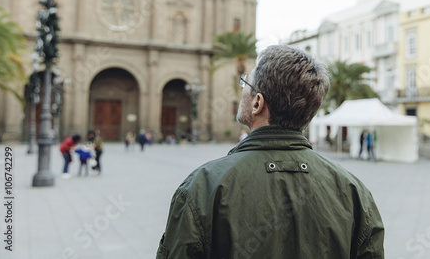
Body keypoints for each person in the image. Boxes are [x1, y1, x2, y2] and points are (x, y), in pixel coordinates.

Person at [156, 45, 384, 258]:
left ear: (257, 103)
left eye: (245, 82)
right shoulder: (354, 192)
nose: (241, 89)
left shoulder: (204, 187)